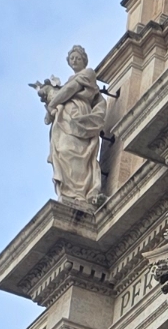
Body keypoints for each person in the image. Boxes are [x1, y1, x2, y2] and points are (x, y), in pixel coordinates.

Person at [31, 47, 116, 208]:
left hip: (79, 114)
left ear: (84, 60)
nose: (74, 60)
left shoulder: (88, 73)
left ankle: (81, 193)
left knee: (74, 151)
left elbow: (70, 90)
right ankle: (71, 192)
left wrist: (53, 102)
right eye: (72, 58)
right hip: (64, 118)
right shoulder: (69, 80)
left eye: (77, 58)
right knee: (62, 151)